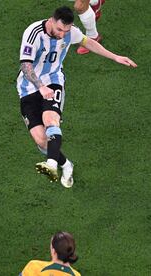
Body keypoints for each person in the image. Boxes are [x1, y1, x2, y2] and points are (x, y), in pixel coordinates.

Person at [16, 6, 136, 187]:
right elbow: (26, 66)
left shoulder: (70, 32)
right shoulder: (33, 33)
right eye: (59, 30)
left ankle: (51, 164)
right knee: (41, 140)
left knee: (51, 120)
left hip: (54, 80)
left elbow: (87, 41)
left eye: (66, 30)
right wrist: (40, 87)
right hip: (28, 87)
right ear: (51, 20)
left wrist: (114, 57)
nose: (63, 34)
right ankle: (66, 165)